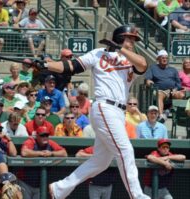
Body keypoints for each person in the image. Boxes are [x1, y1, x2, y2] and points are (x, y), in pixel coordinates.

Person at [32, 25, 150, 199]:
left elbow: (143, 65)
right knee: (125, 150)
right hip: (105, 107)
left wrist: (121, 50)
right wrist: (46, 65)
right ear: (119, 38)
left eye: (133, 40)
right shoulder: (98, 54)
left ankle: (59, 189)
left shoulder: (132, 59)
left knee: (101, 161)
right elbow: (71, 65)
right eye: (129, 38)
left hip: (119, 112)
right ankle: (137, 196)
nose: (132, 42)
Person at [20, 126, 67, 199]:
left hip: (40, 185)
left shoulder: (50, 143)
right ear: (37, 136)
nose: (45, 137)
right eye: (42, 135)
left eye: (46, 135)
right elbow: (24, 152)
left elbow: (64, 153)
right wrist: (40, 153)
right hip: (25, 183)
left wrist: (51, 153)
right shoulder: (31, 141)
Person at [145, 49, 184, 122]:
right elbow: (148, 80)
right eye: (163, 58)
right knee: (160, 94)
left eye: (166, 58)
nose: (165, 59)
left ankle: (175, 114)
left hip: (171, 91)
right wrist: (149, 82)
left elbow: (178, 83)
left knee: (181, 95)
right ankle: (161, 115)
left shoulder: (173, 70)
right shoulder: (153, 68)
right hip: (159, 90)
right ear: (158, 59)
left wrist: (175, 89)